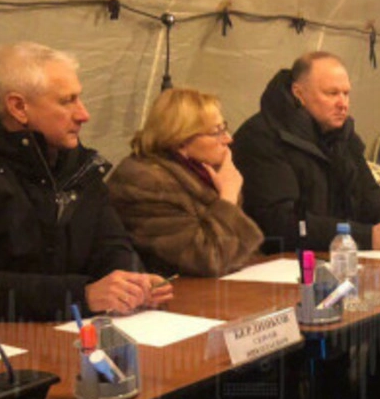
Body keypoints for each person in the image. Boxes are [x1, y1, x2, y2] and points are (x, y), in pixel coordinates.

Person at [0, 42, 172, 321]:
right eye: (67, 101)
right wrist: (81, 295)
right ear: (18, 107)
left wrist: (132, 280)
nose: (83, 115)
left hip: (69, 329)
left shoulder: (76, 164)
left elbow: (111, 243)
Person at [234, 51, 380, 253]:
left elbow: (366, 191)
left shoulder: (342, 135)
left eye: (346, 93)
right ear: (299, 93)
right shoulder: (262, 138)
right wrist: (365, 237)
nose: (342, 104)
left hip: (334, 257)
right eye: (332, 93)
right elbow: (279, 222)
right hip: (280, 262)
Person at [107, 88, 264, 277]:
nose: (228, 139)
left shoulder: (202, 171)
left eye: (224, 127)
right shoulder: (147, 183)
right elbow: (208, 260)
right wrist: (228, 197)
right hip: (171, 290)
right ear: (180, 140)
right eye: (217, 132)